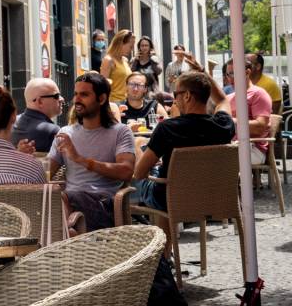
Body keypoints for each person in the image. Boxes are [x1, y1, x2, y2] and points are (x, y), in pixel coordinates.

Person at [132, 71, 234, 212]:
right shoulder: (223, 125)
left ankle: (163, 232)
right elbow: (222, 100)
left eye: (176, 95)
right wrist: (203, 73)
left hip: (170, 201)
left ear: (187, 96)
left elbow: (139, 173)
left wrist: (137, 148)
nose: (174, 100)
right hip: (214, 197)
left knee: (138, 145)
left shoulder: (167, 129)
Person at [48, 72, 136, 231]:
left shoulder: (120, 132)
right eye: (76, 94)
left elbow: (126, 171)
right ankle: (70, 232)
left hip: (103, 204)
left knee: (69, 198)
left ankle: (67, 234)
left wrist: (80, 159)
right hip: (69, 203)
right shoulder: (65, 133)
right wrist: (23, 157)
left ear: (101, 99)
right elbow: (46, 173)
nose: (77, 100)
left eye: (84, 95)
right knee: (57, 199)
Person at [225, 57, 273, 165]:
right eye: (228, 74)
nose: (230, 78)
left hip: (253, 148)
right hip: (232, 146)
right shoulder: (229, 97)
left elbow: (259, 127)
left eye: (233, 73)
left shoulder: (258, 94)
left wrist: (229, 122)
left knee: (214, 159)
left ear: (247, 72)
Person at [10, 77, 64, 152]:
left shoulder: (10, 124)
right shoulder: (52, 131)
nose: (62, 99)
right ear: (40, 101)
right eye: (56, 96)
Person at [100, 29, 135, 103]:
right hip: (113, 102)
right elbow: (102, 86)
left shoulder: (125, 60)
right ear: (121, 43)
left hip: (126, 102)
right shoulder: (108, 60)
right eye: (130, 46)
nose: (131, 50)